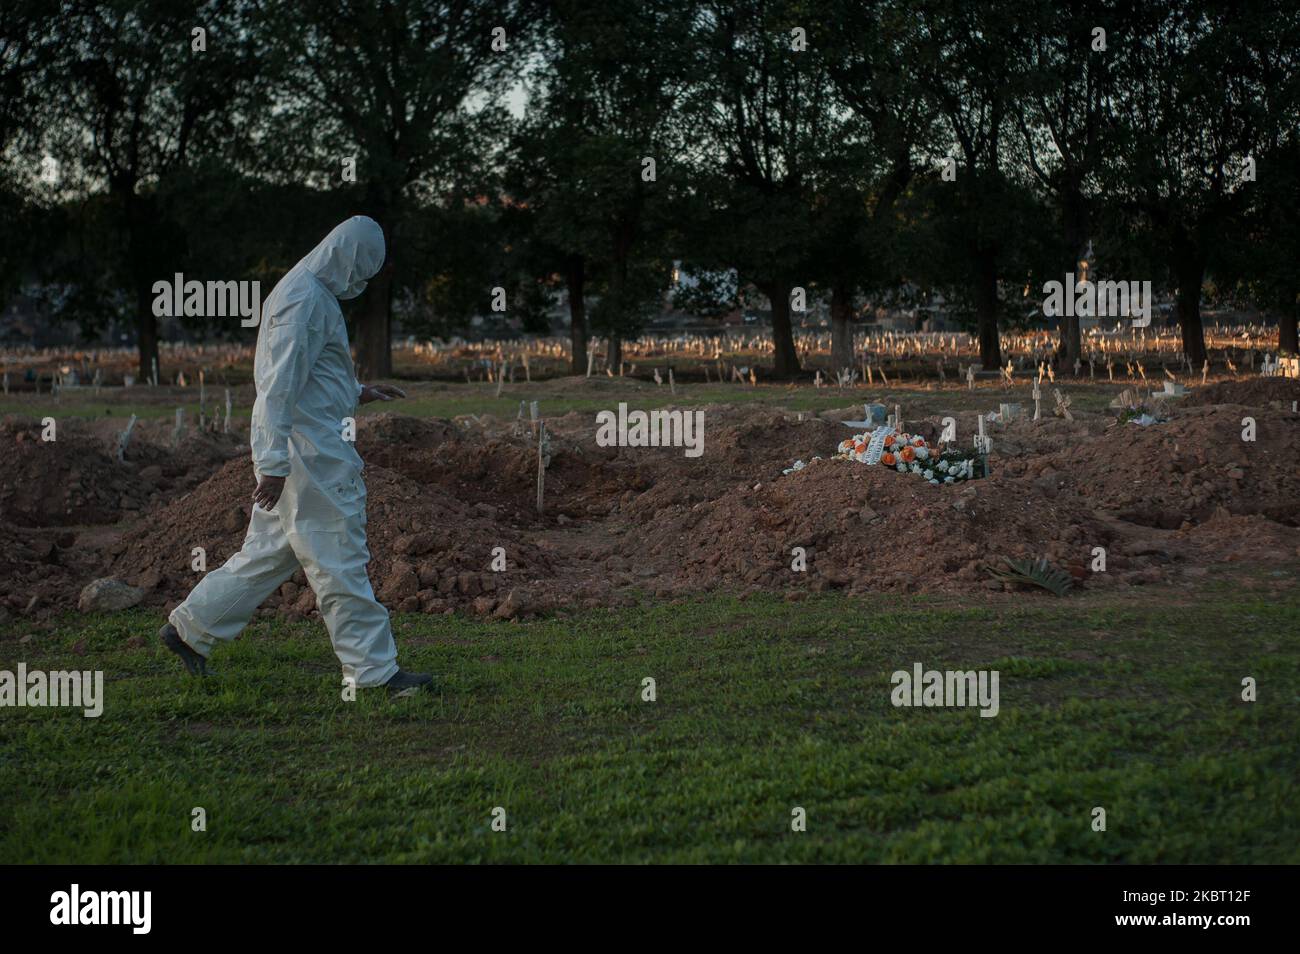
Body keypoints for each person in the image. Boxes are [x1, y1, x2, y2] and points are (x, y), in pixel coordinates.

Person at [158, 215, 432, 698]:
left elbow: (312, 378)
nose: (362, 282)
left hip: (301, 454)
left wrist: (359, 390)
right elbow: (276, 389)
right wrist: (273, 466)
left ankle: (189, 630)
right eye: (362, 270)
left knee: (266, 556)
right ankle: (376, 675)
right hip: (309, 461)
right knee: (340, 559)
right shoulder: (304, 300)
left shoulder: (311, 292)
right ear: (346, 256)